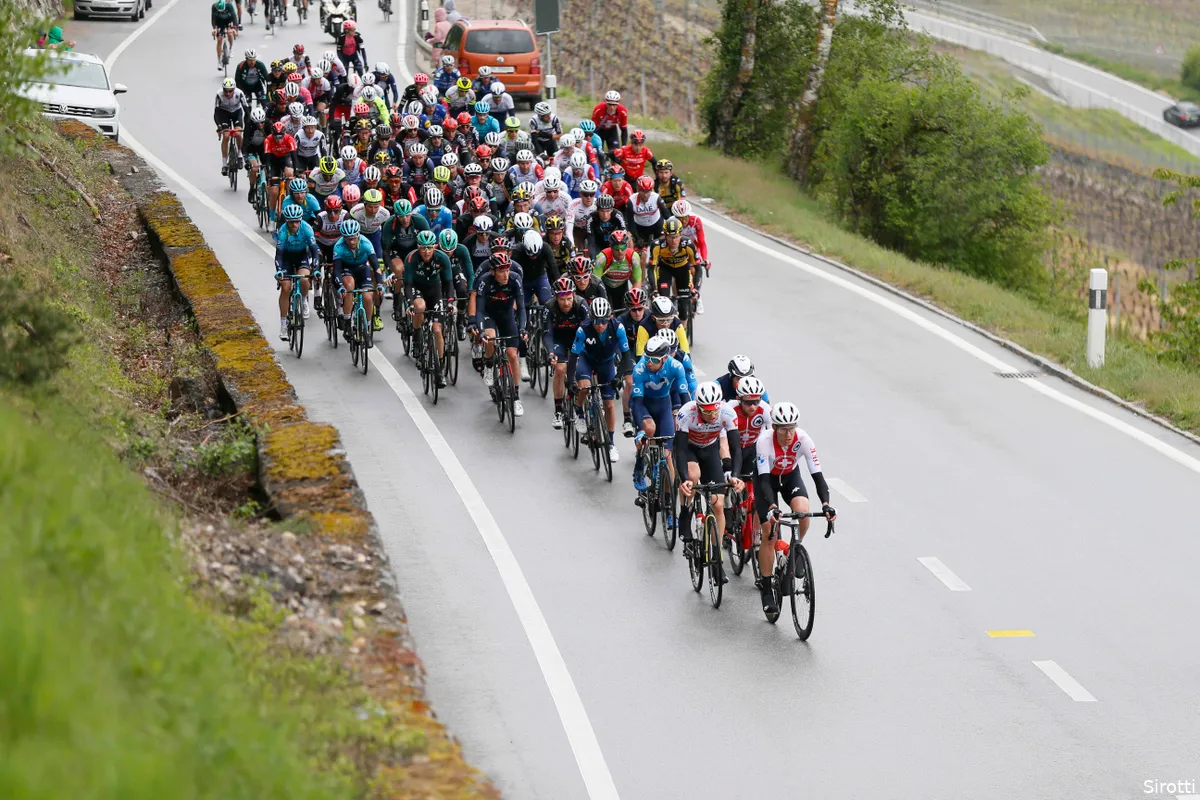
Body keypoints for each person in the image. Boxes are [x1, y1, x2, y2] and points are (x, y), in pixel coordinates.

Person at [754, 402, 835, 615]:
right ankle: (766, 588)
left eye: (792, 428)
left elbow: (818, 477)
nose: (789, 434)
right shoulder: (764, 442)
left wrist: (826, 504)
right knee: (769, 534)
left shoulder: (804, 440)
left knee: (803, 511)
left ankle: (793, 551)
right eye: (783, 429)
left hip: (790, 477)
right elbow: (762, 481)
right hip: (767, 481)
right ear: (775, 428)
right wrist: (772, 506)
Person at [675, 382, 744, 554]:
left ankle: (717, 553)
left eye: (715, 410)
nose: (713, 415)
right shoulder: (686, 414)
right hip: (689, 448)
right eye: (707, 411)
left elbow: (736, 448)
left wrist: (735, 474)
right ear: (698, 407)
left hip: (710, 448)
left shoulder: (727, 412)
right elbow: (680, 451)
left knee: (718, 505)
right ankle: (685, 511)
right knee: (693, 476)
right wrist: (684, 479)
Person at [567, 297, 629, 463]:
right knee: (585, 387)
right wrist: (571, 381)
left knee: (609, 405)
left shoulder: (618, 327)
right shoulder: (583, 329)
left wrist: (618, 376)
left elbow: (626, 356)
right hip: (586, 360)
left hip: (607, 362)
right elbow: (573, 357)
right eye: (596, 321)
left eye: (603, 321)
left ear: (609, 318)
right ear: (590, 318)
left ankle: (610, 444)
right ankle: (579, 410)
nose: (600, 325)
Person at [631, 333, 692, 496]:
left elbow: (684, 396)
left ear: (665, 359)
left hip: (664, 405)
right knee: (649, 429)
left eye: (655, 360)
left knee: (667, 455)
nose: (650, 362)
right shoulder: (640, 369)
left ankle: (668, 503)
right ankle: (639, 463)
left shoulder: (676, 367)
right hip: (644, 404)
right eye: (647, 357)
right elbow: (637, 403)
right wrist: (640, 430)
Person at [468, 252, 527, 416]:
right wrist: (480, 332)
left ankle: (515, 397)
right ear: (493, 271)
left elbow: (521, 307)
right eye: (501, 271)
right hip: (488, 314)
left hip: (507, 315)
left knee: (512, 355)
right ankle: (488, 364)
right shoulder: (484, 281)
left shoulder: (515, 279)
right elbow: (479, 310)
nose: (506, 274)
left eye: (507, 270)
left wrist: (522, 328)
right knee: (490, 337)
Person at [403, 230, 454, 387]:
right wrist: (410, 304)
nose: (426, 251)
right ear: (418, 247)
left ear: (434, 247)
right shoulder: (411, 258)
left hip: (435, 290)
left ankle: (439, 369)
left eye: (430, 248)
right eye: (423, 248)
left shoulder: (442, 258)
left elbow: (448, 283)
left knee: (438, 330)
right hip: (417, 288)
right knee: (420, 306)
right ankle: (417, 336)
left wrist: (450, 302)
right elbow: (408, 284)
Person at [543, 276, 587, 429]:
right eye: (562, 299)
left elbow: (588, 330)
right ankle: (558, 410)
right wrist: (550, 353)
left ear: (573, 295)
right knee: (560, 369)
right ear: (556, 298)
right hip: (558, 340)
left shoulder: (581, 305)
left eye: (569, 298)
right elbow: (547, 333)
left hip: (578, 338)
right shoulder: (549, 307)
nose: (566, 303)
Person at [273, 205, 319, 339]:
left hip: (301, 256)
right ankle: (283, 325)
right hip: (286, 258)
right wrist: (279, 271)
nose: (295, 224)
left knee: (304, 279)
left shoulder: (306, 229)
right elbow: (279, 256)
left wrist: (315, 270)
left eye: (297, 221)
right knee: (286, 288)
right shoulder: (282, 232)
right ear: (286, 221)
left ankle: (304, 299)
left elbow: (314, 251)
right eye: (291, 222)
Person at [332, 219, 380, 332]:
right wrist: (340, 286)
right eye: (348, 239)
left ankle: (368, 325)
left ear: (358, 235)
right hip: (346, 269)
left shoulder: (366, 243)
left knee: (368, 297)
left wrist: (379, 283)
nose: (351, 242)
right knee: (348, 287)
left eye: (353, 238)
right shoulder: (339, 246)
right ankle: (347, 321)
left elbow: (376, 266)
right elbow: (337, 269)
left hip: (362, 268)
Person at [592, 228, 641, 311]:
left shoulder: (633, 257)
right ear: (610, 246)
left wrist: (632, 298)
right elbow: (595, 282)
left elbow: (637, 281)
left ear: (627, 245)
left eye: (623, 247)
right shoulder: (603, 257)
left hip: (622, 287)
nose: (620, 251)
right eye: (616, 247)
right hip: (605, 287)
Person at [214, 78, 247, 177]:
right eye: (226, 90)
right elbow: (216, 112)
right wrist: (219, 126)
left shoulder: (239, 93)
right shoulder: (219, 94)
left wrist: (248, 124)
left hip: (236, 112)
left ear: (234, 89)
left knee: (238, 133)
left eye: (230, 91)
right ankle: (224, 164)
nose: (228, 93)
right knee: (226, 136)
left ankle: (240, 154)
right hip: (223, 113)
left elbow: (246, 109)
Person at [211, 0, 239, 71]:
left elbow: (234, 18)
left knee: (230, 32)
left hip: (228, 21)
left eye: (222, 10)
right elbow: (213, 19)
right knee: (219, 39)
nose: (221, 12)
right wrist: (214, 29)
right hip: (219, 23)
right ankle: (219, 61)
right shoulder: (214, 7)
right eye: (219, 11)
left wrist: (235, 29)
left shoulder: (229, 5)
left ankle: (231, 47)